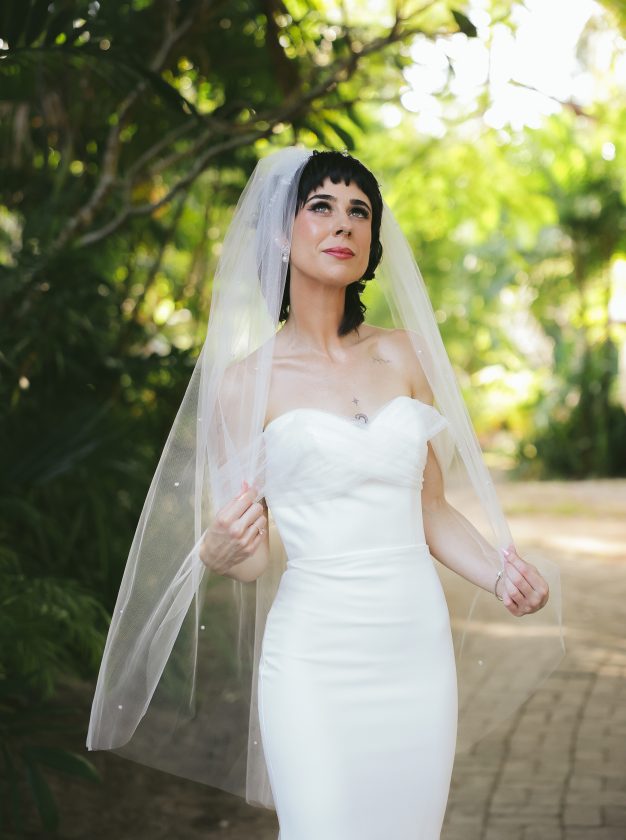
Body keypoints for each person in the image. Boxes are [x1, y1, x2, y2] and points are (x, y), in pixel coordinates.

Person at [86, 147, 563, 840]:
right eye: (322, 206)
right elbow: (249, 556)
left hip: (414, 650)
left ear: (372, 245)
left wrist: (501, 574)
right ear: (284, 233)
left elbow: (429, 509)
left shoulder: (405, 355)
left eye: (359, 211)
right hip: (313, 656)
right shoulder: (245, 384)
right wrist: (221, 549)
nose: (343, 223)